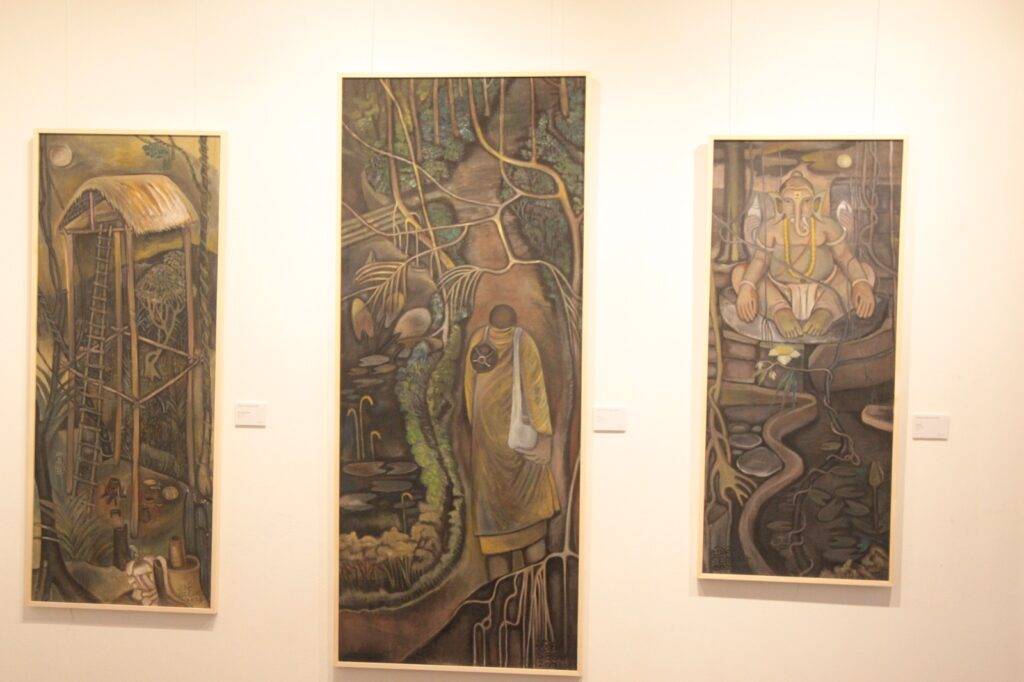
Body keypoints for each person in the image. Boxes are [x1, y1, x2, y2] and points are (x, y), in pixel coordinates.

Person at [464, 304, 560, 580]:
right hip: (521, 447)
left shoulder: (479, 340)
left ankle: (501, 600)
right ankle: (533, 597)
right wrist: (544, 437)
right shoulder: (523, 341)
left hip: (487, 449)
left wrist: (482, 431)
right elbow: (536, 391)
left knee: (495, 535)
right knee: (531, 529)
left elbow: (470, 394)